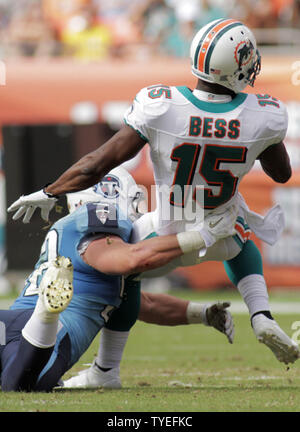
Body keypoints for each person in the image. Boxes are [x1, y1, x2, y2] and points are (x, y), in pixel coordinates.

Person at [7, 18, 299, 371]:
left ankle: (106, 370)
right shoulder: (264, 116)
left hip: (166, 232)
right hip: (224, 230)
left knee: (123, 275)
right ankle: (261, 314)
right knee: (240, 229)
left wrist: (51, 192)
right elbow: (281, 173)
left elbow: (99, 163)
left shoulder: (161, 104)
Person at [0, 167, 235, 392]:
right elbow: (131, 260)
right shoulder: (102, 216)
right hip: (52, 335)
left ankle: (44, 313)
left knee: (9, 376)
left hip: (11, 322)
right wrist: (202, 235)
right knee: (22, 383)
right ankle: (46, 313)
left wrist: (202, 313)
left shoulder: (73, 232)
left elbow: (144, 305)